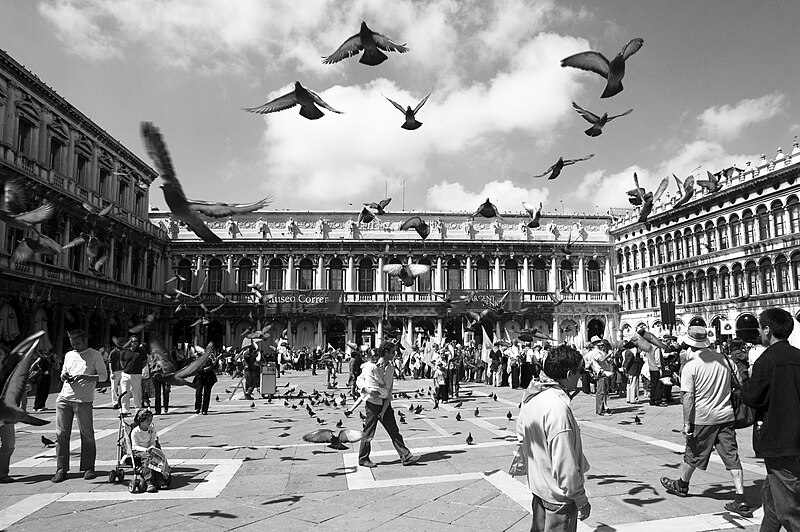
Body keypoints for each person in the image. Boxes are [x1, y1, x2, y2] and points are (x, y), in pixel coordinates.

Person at [660, 326, 751, 517]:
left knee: (693, 452)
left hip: (702, 418)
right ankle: (741, 498)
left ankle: (682, 485)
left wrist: (686, 423)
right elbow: (739, 384)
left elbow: (688, 397)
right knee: (732, 456)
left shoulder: (691, 365)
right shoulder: (725, 359)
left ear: (690, 345)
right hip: (726, 416)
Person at [516, 344, 591, 531]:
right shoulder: (557, 408)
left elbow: (520, 435)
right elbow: (565, 465)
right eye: (579, 371)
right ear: (568, 374)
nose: (581, 376)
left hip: (539, 489)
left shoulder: (531, 396)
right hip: (558, 497)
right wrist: (581, 499)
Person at [741, 308, 800, 530]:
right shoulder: (798, 356)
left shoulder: (767, 360)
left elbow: (751, 397)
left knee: (789, 511)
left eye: (760, 327)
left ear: (767, 329)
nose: (758, 331)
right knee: (772, 500)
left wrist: (744, 381)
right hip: (795, 437)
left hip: (779, 439)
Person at [52, 329, 108, 483]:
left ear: (85, 340)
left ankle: (89, 467)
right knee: (61, 436)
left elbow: (104, 377)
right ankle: (61, 469)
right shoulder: (69, 355)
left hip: (83, 401)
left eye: (77, 343)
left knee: (87, 434)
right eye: (72, 343)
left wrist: (86, 377)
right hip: (64, 399)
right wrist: (64, 376)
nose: (75, 346)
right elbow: (64, 372)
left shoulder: (95, 355)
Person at [357, 338, 419, 469]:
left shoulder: (391, 368)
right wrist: (367, 389)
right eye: (392, 352)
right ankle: (363, 458)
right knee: (369, 432)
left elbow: (389, 389)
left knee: (394, 431)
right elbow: (359, 380)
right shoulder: (372, 365)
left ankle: (406, 456)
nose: (394, 354)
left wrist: (385, 409)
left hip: (385, 403)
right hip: (372, 404)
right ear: (386, 352)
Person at [130, 409, 167, 493]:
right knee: (147, 458)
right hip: (139, 450)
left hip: (149, 448)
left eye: (151, 419)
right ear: (141, 421)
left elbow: (153, 441)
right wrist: (145, 450)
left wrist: (151, 447)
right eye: (148, 420)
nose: (150, 422)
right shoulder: (135, 432)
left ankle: (159, 478)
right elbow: (134, 446)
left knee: (158, 457)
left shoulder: (151, 429)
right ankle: (149, 481)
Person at [119, 336, 146, 415]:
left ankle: (138, 408)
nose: (135, 343)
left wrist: (140, 368)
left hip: (136, 374)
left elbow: (144, 361)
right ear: (130, 342)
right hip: (125, 374)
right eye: (134, 341)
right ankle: (125, 409)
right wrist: (124, 368)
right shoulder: (125, 351)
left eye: (136, 341)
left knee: (136, 392)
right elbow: (122, 361)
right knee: (124, 392)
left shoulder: (141, 352)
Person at [588, 337, 613, 416]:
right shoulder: (596, 352)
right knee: (601, 392)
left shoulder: (599, 351)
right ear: (595, 343)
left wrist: (608, 359)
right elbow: (601, 359)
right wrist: (609, 354)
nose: (601, 343)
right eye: (599, 342)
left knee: (604, 391)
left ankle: (603, 408)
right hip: (601, 373)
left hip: (604, 372)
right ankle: (600, 410)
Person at [193, 349, 217, 415]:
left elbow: (211, 367)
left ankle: (205, 409)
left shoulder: (209, 360)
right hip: (200, 377)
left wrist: (210, 366)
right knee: (198, 393)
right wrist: (204, 369)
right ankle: (198, 408)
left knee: (207, 393)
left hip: (208, 378)